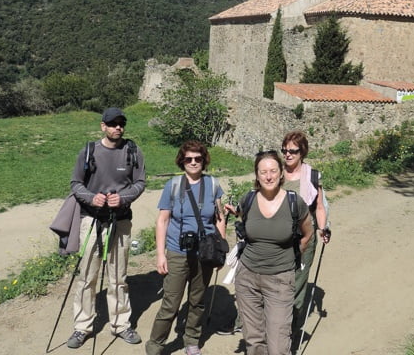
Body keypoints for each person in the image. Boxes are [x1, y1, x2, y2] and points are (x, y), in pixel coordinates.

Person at [67, 107, 145, 349]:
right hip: (92, 220)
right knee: (86, 277)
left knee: (118, 276)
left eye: (121, 123)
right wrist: (92, 198)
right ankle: (82, 327)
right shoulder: (89, 151)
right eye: (112, 124)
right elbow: (75, 184)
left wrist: (123, 198)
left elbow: (140, 183)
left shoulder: (132, 151)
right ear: (103, 126)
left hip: (120, 220)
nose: (117, 128)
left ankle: (121, 324)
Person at [226, 150, 314, 355]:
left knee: (278, 344)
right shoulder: (247, 199)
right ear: (256, 175)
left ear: (281, 173)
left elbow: (307, 234)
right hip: (247, 278)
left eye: (273, 171)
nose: (268, 176)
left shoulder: (294, 203)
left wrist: (290, 258)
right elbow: (243, 219)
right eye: (263, 171)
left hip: (280, 279)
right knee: (254, 339)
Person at [145, 140, 227, 355]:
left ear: (204, 160)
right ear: (182, 161)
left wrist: (220, 247)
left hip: (205, 252)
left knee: (197, 300)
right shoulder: (172, 185)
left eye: (198, 158)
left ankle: (191, 339)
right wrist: (161, 254)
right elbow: (162, 220)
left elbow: (220, 218)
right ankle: (155, 344)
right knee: (171, 303)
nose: (193, 162)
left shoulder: (213, 185)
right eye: (188, 159)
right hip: (177, 251)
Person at [280, 131, 330, 333]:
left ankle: (289, 328)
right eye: (284, 150)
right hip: (278, 238)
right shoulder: (276, 173)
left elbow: (319, 207)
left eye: (293, 151)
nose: (288, 155)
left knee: (298, 282)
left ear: (302, 152)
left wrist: (323, 227)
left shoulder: (312, 176)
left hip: (304, 238)